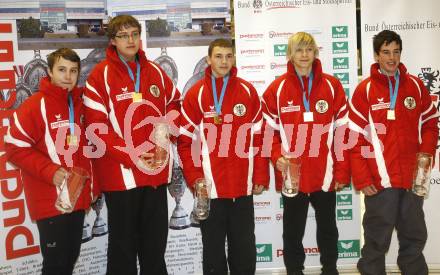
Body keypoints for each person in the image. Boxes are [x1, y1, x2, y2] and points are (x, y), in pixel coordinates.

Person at [83, 15, 180, 274]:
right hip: (121, 175)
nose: (130, 40)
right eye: (124, 35)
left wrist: (165, 128)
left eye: (135, 34)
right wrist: (132, 155)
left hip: (156, 173)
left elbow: (174, 104)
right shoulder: (99, 76)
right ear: (113, 41)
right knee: (123, 251)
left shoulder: (156, 71)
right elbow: (97, 128)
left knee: (155, 247)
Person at [349, 30, 439, 275]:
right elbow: (354, 139)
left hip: (412, 179)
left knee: (413, 237)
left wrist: (425, 156)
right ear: (376, 55)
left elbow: (431, 124)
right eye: (386, 52)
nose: (392, 58)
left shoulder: (416, 87)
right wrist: (363, 178)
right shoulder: (364, 91)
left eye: (396, 52)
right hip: (380, 181)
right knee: (376, 241)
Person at [178, 38, 269, 274]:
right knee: (213, 252)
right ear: (209, 59)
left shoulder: (248, 91)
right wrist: (196, 180)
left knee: (244, 249)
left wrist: (259, 174)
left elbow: (260, 138)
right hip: (210, 190)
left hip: (242, 188)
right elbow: (186, 144)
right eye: (218, 56)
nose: (224, 61)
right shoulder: (195, 95)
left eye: (229, 56)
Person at [262, 32, 350, 275]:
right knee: (292, 230)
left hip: (325, 173)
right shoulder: (276, 89)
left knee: (328, 229)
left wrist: (342, 170)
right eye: (299, 50)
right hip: (293, 175)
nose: (304, 55)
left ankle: (330, 269)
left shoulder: (332, 86)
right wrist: (275, 156)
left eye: (308, 50)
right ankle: (294, 271)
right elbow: (268, 133)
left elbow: (342, 132)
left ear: (315, 53)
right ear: (290, 54)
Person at [5, 48, 97, 275]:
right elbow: (14, 147)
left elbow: (86, 152)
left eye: (73, 71)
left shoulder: (80, 104)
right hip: (50, 200)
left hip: (76, 198)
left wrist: (93, 187)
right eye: (62, 70)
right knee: (56, 265)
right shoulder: (34, 105)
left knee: (68, 261)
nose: (68, 76)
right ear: (49, 71)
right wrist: (50, 171)